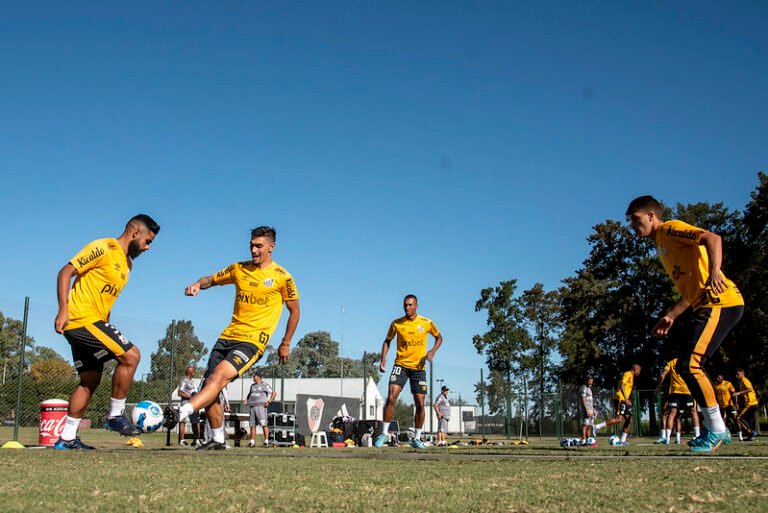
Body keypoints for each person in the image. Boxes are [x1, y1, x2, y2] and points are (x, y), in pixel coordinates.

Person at [626, 195, 744, 452]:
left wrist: (715, 271)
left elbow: (713, 239)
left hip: (721, 302)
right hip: (707, 304)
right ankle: (716, 429)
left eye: (635, 220)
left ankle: (717, 430)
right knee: (684, 365)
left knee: (690, 364)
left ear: (650, 215)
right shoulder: (662, 246)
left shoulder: (670, 229)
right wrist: (671, 315)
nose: (633, 226)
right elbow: (690, 292)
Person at [166, 226, 300, 451]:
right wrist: (198, 284)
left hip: (253, 341)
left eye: (259, 246)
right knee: (210, 384)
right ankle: (218, 439)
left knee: (218, 377)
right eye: (251, 246)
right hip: (227, 337)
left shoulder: (282, 277)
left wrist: (285, 343)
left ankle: (182, 411)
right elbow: (211, 279)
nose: (254, 250)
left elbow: (295, 311)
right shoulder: (239, 269)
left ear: (271, 247)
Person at [53, 214, 160, 450]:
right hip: (81, 319)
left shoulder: (127, 265)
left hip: (94, 323)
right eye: (147, 241)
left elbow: (105, 301)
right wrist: (63, 309)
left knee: (89, 380)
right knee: (132, 356)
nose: (148, 247)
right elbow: (65, 272)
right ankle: (115, 414)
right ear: (134, 233)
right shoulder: (103, 247)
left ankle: (67, 438)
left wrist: (106, 324)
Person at [374, 294, 443, 449]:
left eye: (410, 305)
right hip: (401, 365)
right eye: (405, 305)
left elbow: (439, 338)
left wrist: (432, 351)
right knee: (391, 397)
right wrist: (383, 359)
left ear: (416, 306)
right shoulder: (397, 323)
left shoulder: (426, 323)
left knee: (420, 403)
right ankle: (384, 433)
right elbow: (387, 341)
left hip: (418, 369)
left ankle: (417, 438)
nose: (407, 308)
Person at [653, 358, 700, 445]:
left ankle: (667, 438)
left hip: (675, 392)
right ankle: (697, 436)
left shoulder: (671, 362)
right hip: (688, 391)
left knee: (672, 414)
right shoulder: (689, 361)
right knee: (693, 412)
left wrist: (658, 387)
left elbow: (663, 375)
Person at [593, 364, 641, 446]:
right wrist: (626, 399)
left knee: (629, 420)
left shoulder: (631, 376)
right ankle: (597, 427)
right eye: (639, 370)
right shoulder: (628, 374)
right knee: (619, 419)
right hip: (621, 399)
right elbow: (622, 385)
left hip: (623, 399)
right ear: (635, 369)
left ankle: (622, 441)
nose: (639, 372)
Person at [247, 371, 276, 447]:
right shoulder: (252, 386)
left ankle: (266, 441)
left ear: (258, 377)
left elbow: (274, 393)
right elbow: (250, 394)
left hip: (261, 407)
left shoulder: (264, 385)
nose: (253, 378)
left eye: (254, 376)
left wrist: (269, 401)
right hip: (252, 407)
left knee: (264, 424)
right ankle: (252, 442)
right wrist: (246, 399)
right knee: (252, 425)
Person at [177, 365, 201, 446]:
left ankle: (196, 440)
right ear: (189, 372)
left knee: (195, 422)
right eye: (193, 371)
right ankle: (181, 440)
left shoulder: (193, 382)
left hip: (194, 404)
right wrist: (191, 396)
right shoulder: (184, 380)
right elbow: (180, 392)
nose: (194, 372)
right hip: (186, 403)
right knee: (183, 421)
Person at [733, 369, 758, 441]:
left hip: (751, 403)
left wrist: (739, 393)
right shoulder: (741, 382)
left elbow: (750, 389)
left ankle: (751, 432)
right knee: (747, 419)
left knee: (738, 417)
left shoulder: (745, 381)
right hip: (751, 403)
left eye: (738, 374)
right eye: (736, 375)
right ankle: (750, 436)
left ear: (743, 374)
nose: (736, 376)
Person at [578, 376, 595, 445]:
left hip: (590, 409)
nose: (591, 383)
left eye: (591, 381)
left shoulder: (589, 389)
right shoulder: (583, 388)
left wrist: (593, 409)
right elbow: (583, 399)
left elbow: (590, 400)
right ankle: (583, 440)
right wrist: (587, 409)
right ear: (586, 381)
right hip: (586, 409)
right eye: (589, 381)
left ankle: (588, 440)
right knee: (585, 424)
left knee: (590, 425)